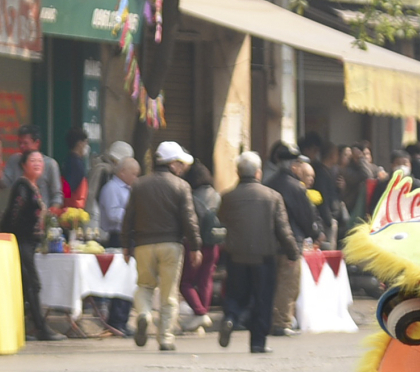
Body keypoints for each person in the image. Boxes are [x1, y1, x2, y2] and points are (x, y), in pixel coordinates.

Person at [122, 142, 204, 351]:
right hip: (171, 245)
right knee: (169, 293)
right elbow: (189, 219)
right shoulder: (181, 186)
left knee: (144, 286)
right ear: (173, 164)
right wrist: (195, 246)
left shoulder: (139, 184)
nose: (183, 168)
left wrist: (125, 245)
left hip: (143, 245)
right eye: (181, 164)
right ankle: (166, 338)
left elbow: (128, 217)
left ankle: (144, 314)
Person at [216, 152, 299, 354]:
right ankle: (257, 343)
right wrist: (292, 252)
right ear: (259, 172)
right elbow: (283, 229)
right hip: (264, 256)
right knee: (263, 298)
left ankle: (230, 317)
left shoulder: (228, 197)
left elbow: (222, 219)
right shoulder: (272, 197)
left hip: (236, 255)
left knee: (237, 293)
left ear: (238, 172)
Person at [0, 150, 60, 341]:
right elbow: (15, 214)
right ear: (23, 165)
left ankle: (28, 327)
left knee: (29, 285)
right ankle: (40, 327)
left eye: (40, 161)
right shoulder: (22, 186)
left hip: (29, 243)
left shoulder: (34, 186)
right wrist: (14, 238)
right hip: (21, 241)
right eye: (33, 160)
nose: (37, 164)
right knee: (32, 284)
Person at [267, 154, 318, 336]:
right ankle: (282, 322)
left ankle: (270, 320)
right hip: (290, 243)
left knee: (271, 283)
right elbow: (306, 217)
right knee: (288, 285)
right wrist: (314, 233)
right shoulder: (296, 187)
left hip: (269, 242)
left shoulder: (269, 183)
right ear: (295, 167)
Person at [179, 159, 223, 328]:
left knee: (186, 282)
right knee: (206, 280)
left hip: (194, 244)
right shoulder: (217, 195)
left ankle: (200, 312)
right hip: (213, 243)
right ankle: (203, 310)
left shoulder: (190, 197)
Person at [99, 156, 140, 333]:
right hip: (117, 236)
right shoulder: (112, 189)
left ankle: (123, 318)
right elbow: (113, 215)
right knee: (120, 278)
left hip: (131, 236)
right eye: (133, 174)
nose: (136, 178)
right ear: (122, 172)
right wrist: (132, 214)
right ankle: (117, 320)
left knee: (129, 279)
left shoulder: (131, 189)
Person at [0, 123, 61, 210]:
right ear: (24, 166)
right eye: (20, 143)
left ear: (37, 143)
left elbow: (57, 195)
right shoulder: (14, 160)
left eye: (25, 143)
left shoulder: (50, 164)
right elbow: (3, 183)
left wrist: (50, 216)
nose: (22, 146)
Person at [59, 126, 91, 207]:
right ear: (80, 143)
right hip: (73, 211)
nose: (87, 146)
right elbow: (68, 189)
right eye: (86, 142)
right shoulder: (76, 164)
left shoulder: (69, 160)